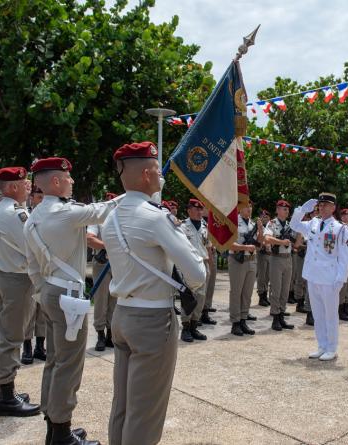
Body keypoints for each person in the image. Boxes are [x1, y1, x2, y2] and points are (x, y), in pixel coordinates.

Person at [101, 142, 205, 445]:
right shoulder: (156, 217)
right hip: (152, 320)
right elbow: (197, 276)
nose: (161, 176)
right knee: (145, 412)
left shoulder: (111, 217)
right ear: (147, 174)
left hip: (122, 314)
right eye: (158, 171)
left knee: (122, 406)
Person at [24, 156, 117, 445]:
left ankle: (54, 425)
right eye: (67, 177)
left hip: (51, 291)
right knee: (69, 364)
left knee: (55, 360)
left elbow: (32, 267)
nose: (72, 181)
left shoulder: (34, 216)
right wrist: (139, 193)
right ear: (55, 182)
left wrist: (42, 292)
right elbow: (104, 210)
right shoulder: (63, 212)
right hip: (68, 296)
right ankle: (61, 431)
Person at [0, 166, 41, 417]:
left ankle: (4, 390)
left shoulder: (0, 210)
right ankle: (6, 396)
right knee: (11, 337)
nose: (29, 185)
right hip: (17, 280)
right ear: (13, 187)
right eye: (25, 181)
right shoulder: (15, 214)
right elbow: (34, 245)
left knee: (4, 334)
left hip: (4, 277)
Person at [290, 193, 348, 361]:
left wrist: (340, 279)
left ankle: (331, 348)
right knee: (317, 314)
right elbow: (294, 225)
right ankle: (321, 345)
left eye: (326, 205)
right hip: (313, 275)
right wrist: (302, 209)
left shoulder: (340, 228)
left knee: (330, 314)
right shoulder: (312, 223)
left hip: (330, 277)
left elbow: (345, 257)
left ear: (333, 208)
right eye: (320, 205)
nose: (322, 207)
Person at [87, 191, 119, 351]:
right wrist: (107, 246)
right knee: (101, 299)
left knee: (115, 298)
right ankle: (100, 333)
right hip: (101, 262)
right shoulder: (97, 220)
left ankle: (110, 334)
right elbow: (89, 238)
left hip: (116, 262)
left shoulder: (120, 220)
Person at [179, 198, 214, 342]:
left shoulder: (206, 227)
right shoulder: (182, 226)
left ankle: (194, 326)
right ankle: (186, 328)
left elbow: (208, 247)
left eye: (201, 209)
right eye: (196, 209)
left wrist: (210, 266)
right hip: (189, 265)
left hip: (203, 264)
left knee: (201, 297)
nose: (200, 212)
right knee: (189, 296)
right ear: (189, 210)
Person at [228, 200, 263, 336]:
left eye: (250, 206)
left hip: (251, 260)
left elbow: (259, 243)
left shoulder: (253, 224)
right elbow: (229, 244)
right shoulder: (233, 223)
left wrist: (260, 229)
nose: (249, 209)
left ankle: (243, 319)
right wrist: (244, 247)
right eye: (246, 206)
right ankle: (235, 322)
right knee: (236, 292)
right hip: (237, 260)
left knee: (247, 293)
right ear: (239, 208)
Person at [23, 185, 47, 363]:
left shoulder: (49, 218)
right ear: (32, 198)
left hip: (45, 270)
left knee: (43, 312)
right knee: (29, 311)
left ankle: (40, 346)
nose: (42, 201)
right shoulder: (26, 217)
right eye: (39, 197)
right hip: (30, 271)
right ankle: (27, 348)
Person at [265, 199, 296, 331]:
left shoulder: (290, 225)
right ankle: (275, 318)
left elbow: (297, 241)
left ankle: (282, 315)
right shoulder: (272, 223)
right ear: (277, 210)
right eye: (283, 209)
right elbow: (267, 238)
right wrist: (281, 242)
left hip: (288, 259)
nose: (286, 211)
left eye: (288, 209)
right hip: (276, 259)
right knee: (276, 289)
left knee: (285, 290)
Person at [256, 209, 272, 306]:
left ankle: (265, 295)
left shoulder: (271, 227)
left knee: (267, 276)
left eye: (266, 217)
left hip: (270, 254)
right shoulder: (258, 227)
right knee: (262, 276)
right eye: (263, 216)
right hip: (261, 253)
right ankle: (261, 296)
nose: (264, 218)